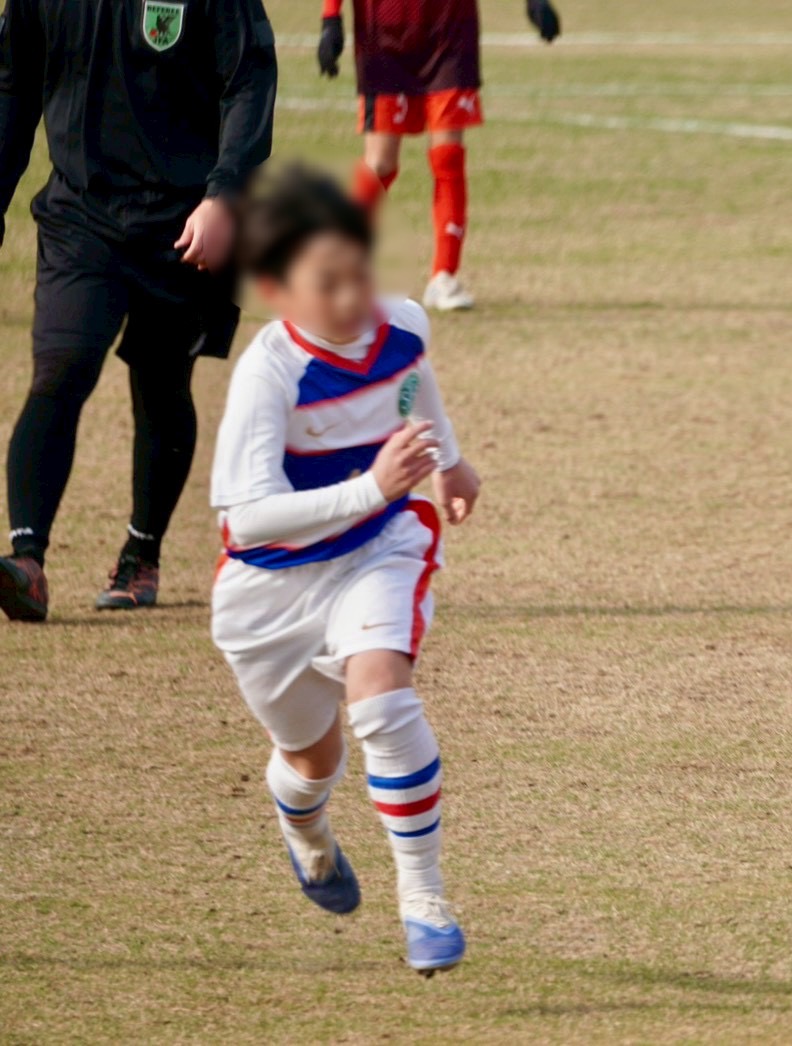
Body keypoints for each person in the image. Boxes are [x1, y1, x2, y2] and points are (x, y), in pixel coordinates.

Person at [210, 166, 482, 974]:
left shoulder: (401, 323)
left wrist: (449, 462)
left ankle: (423, 901)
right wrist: (371, 485)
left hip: (376, 545)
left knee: (382, 694)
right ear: (276, 291)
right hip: (268, 592)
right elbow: (246, 519)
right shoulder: (270, 373)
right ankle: (306, 829)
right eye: (326, 283)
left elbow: (414, 379)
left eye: (357, 271)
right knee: (312, 762)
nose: (351, 295)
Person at [0, 0, 276, 621]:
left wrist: (224, 194)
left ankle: (141, 554)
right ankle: (27, 561)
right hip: (80, 213)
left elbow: (249, 76)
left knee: (162, 382)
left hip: (185, 219)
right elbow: (12, 83)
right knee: (62, 366)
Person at [316, 0, 562, 312]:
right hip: (383, 35)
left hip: (450, 29)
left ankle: (444, 276)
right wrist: (331, 18)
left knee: (448, 157)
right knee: (380, 163)